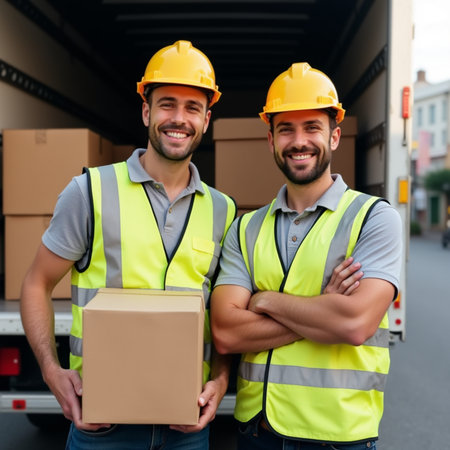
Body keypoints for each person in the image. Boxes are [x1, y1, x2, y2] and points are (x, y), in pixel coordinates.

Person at [20, 40, 237, 449]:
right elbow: (36, 283)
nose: (179, 118)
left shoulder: (223, 212)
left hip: (185, 431)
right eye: (167, 104)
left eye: (193, 107)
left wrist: (221, 379)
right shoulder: (90, 192)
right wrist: (51, 370)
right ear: (146, 111)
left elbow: (224, 315)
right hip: (102, 427)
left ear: (207, 120)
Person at [211, 62, 403, 449]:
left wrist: (264, 301)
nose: (299, 141)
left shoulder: (373, 218)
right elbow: (226, 333)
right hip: (257, 433)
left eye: (312, 127)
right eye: (286, 129)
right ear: (270, 140)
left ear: (334, 136)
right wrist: (323, 308)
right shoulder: (246, 228)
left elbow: (354, 324)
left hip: (337, 436)